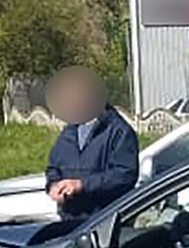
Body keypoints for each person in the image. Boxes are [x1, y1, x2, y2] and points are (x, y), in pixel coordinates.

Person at [44, 66, 139, 220]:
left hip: (103, 220)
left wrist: (82, 185)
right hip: (70, 219)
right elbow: (53, 168)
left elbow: (124, 176)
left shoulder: (119, 131)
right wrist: (53, 186)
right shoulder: (69, 131)